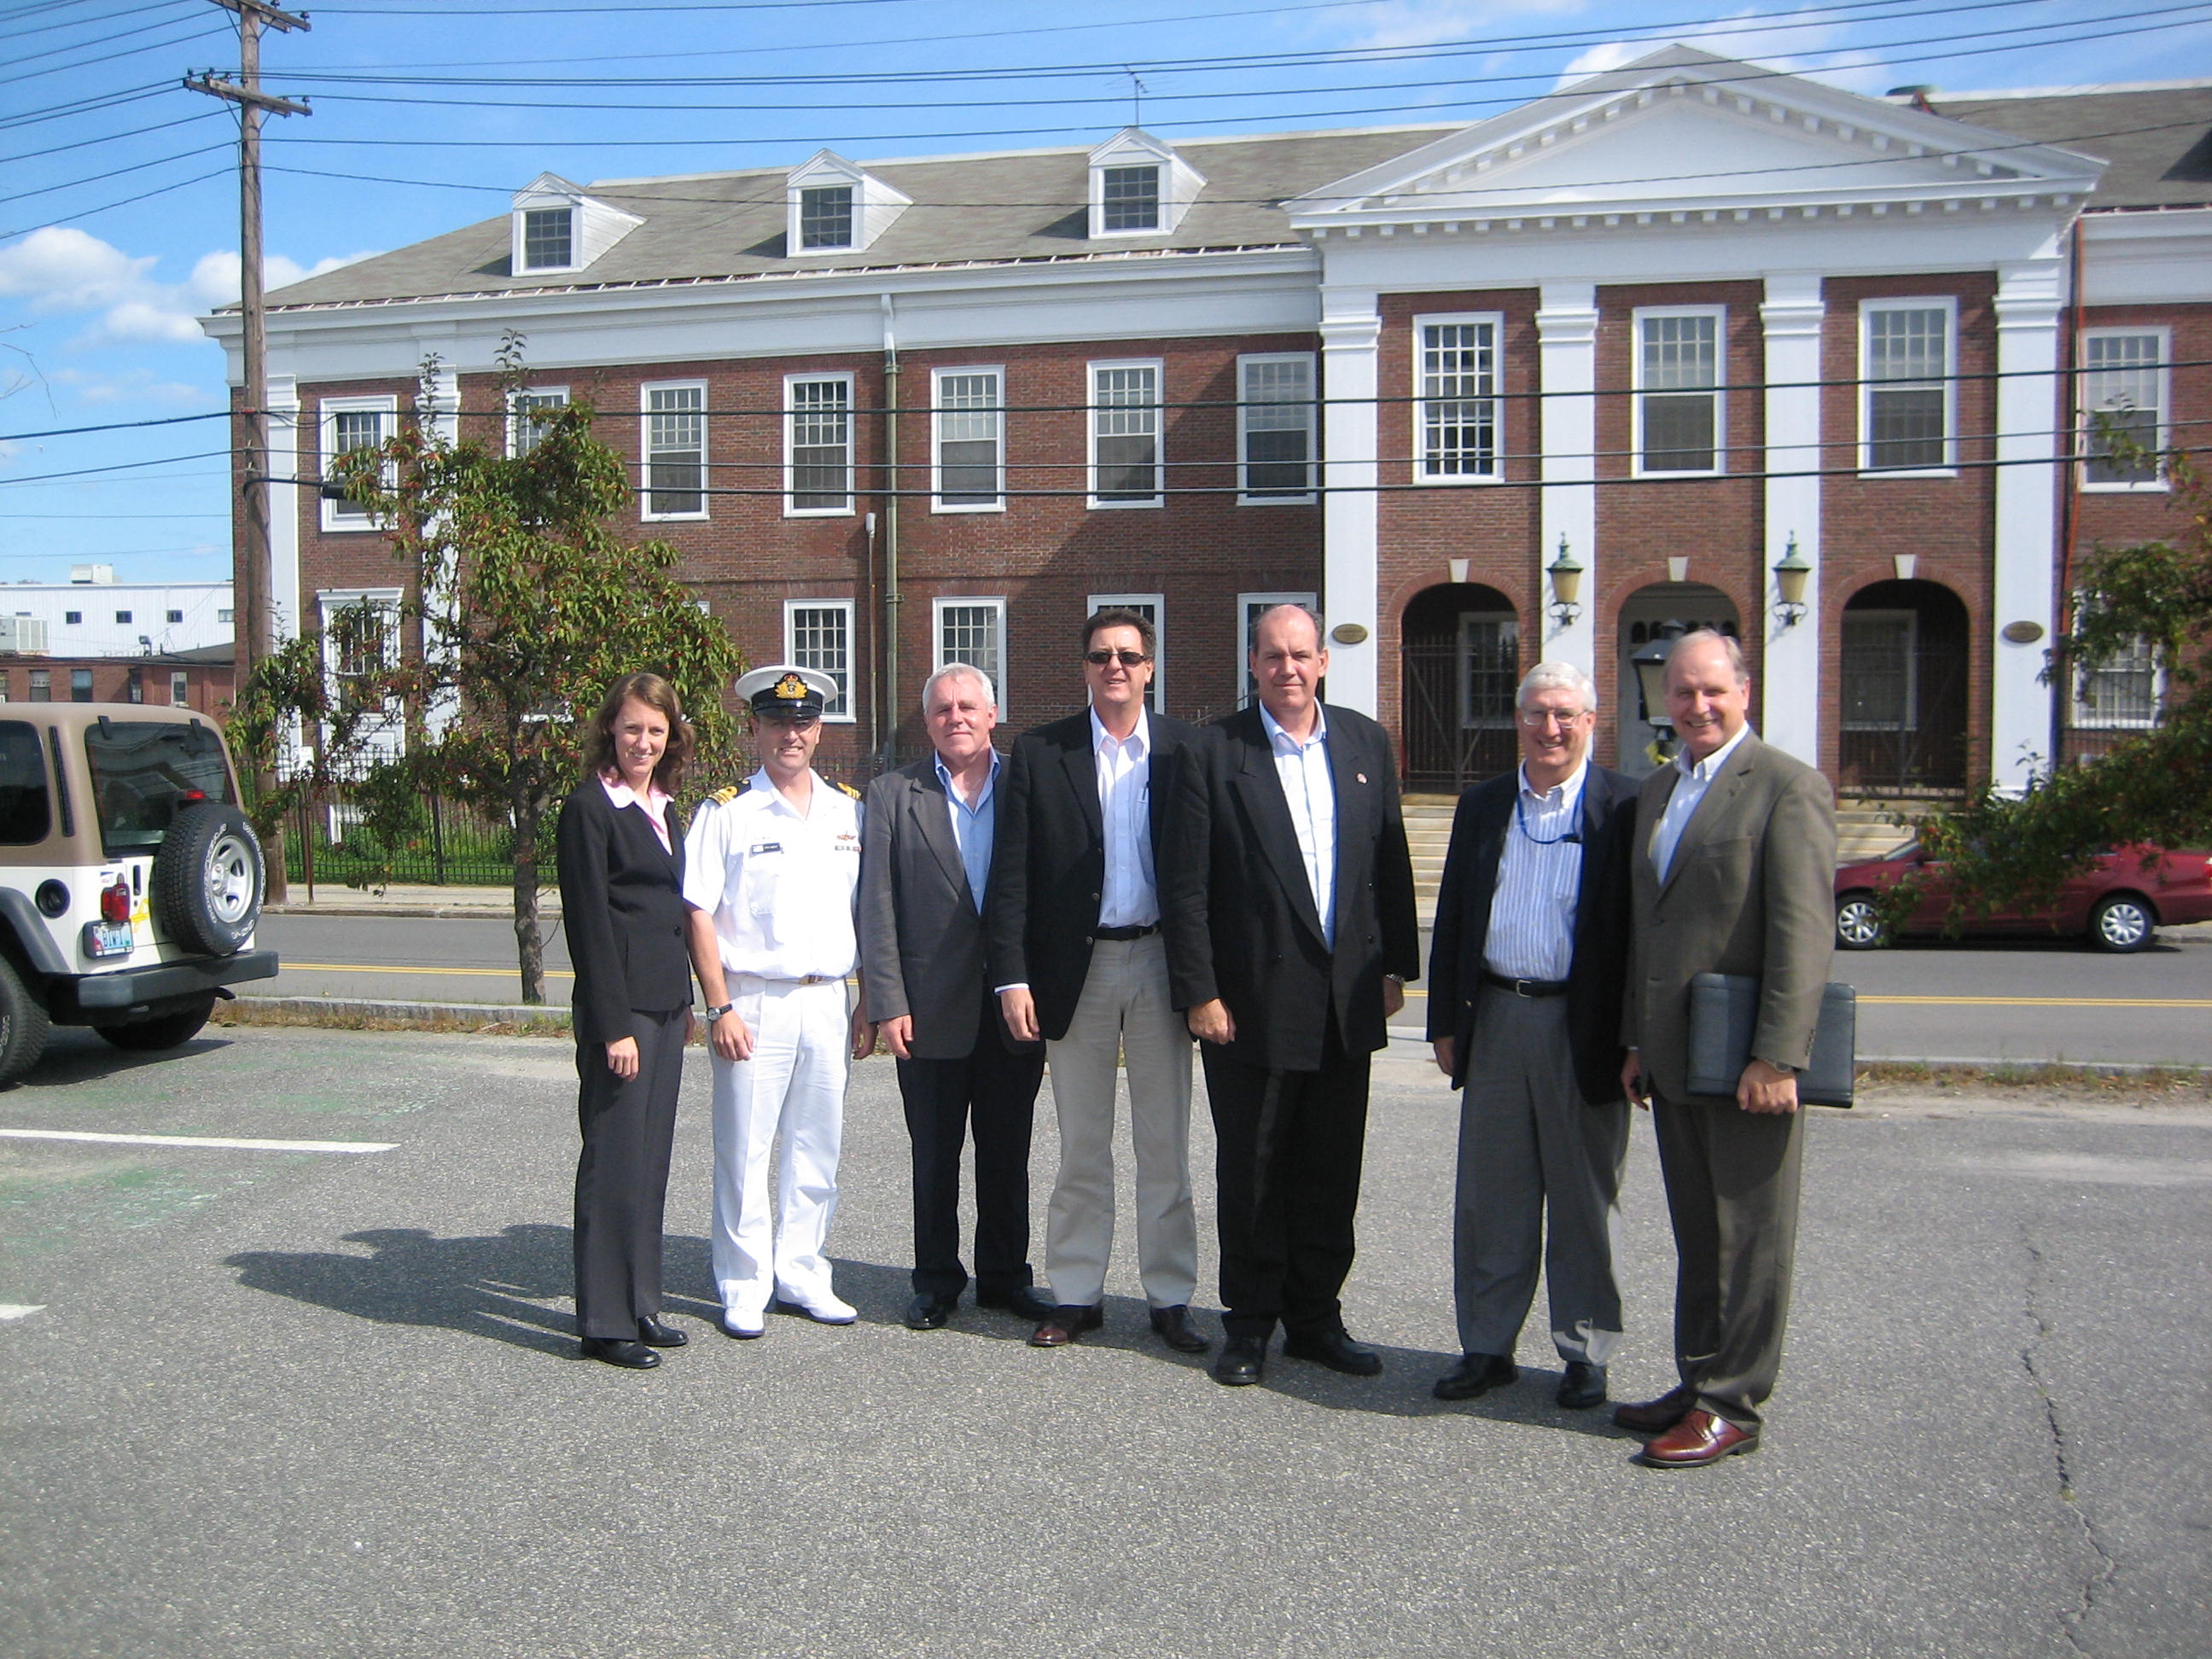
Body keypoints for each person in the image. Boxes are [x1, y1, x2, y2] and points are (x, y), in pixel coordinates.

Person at [1162, 603, 1419, 1388]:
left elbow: (1390, 861)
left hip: (1345, 1001)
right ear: (1253, 663)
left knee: (1331, 1169)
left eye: (1301, 654)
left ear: (1323, 662)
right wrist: (1200, 991)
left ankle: (1316, 1318)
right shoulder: (1215, 753)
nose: (1288, 668)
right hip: (1250, 1003)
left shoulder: (1364, 742)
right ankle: (1249, 1323)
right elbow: (1187, 888)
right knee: (1255, 1169)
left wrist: (1396, 968)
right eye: (1272, 656)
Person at [1617, 628, 1837, 1467]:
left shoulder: (1786, 787)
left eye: (1712, 690)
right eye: (1681, 692)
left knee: (1751, 1236)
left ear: (1744, 691)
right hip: (1674, 1058)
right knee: (1700, 1234)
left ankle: (1735, 1403)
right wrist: (1636, 1040)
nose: (1697, 706)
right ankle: (1698, 1379)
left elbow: (1803, 936)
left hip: (1749, 1064)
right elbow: (1653, 925)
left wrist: (1779, 1056)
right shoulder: (1662, 789)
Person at [986, 608, 1208, 1354]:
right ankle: (1076, 1291)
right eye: (1101, 655)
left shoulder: (1186, 750)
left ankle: (1171, 1295)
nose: (1115, 666)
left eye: (1129, 655)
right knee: (1082, 1144)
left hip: (1155, 963)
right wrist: (1012, 977)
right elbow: (1011, 877)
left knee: (1165, 1144)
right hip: (1070, 972)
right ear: (1084, 667)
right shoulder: (1042, 753)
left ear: (1150, 667)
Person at [1425, 661, 1638, 1410]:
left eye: (1567, 715)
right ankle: (1487, 1347)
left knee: (1584, 1198)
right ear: (1518, 719)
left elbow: (1644, 936)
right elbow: (1453, 916)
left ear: (1591, 722)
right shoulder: (1483, 806)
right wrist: (1445, 1021)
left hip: (1585, 1026)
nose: (1551, 728)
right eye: (1538, 713)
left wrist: (1637, 1041)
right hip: (1497, 1016)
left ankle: (1584, 1352)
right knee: (1493, 1196)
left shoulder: (1624, 807)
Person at [684, 665, 875, 1340]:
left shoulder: (849, 809)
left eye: (803, 722)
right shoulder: (727, 811)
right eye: (776, 721)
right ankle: (743, 1282)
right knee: (745, 1147)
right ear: (754, 727)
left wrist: (866, 999)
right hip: (753, 1001)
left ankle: (801, 1270)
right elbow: (697, 911)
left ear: (819, 729)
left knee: (816, 1145)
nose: (790, 734)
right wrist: (717, 1006)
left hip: (828, 997)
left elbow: (867, 911)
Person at [859, 663, 1052, 1331]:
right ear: (929, 721)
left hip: (1011, 1006)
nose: (956, 717)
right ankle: (936, 1279)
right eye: (942, 709)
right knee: (934, 1158)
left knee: (1008, 1153)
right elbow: (876, 906)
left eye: (968, 705)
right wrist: (886, 1001)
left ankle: (1005, 1278)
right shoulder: (891, 793)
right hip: (926, 1009)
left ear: (993, 714)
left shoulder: (1029, 784)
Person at [555, 672, 698, 1371]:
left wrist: (688, 1001)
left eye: (657, 730)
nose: (644, 741)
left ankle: (642, 1300)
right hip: (624, 1013)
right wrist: (614, 1027)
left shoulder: (664, 808)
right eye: (633, 727)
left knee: (651, 1161)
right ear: (611, 728)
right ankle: (604, 1321)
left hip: (666, 1005)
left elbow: (670, 912)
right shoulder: (589, 809)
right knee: (613, 1161)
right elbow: (589, 925)